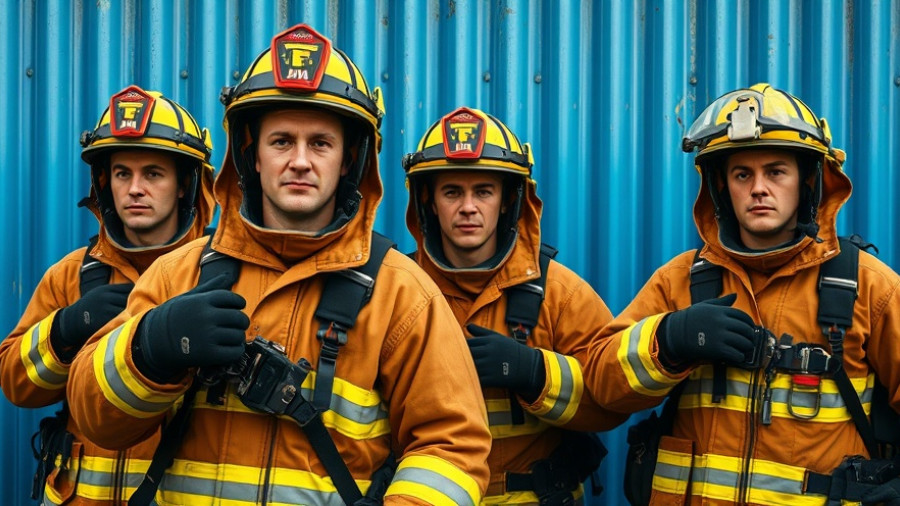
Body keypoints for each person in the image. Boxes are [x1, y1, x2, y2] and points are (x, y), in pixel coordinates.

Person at [67, 24, 492, 506]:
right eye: (282, 141)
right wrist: (149, 348)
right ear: (251, 155)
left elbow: (451, 449)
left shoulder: (403, 293)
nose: (300, 161)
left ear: (350, 159)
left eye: (321, 144)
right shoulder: (176, 273)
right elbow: (92, 417)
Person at [584, 83, 900, 504]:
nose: (758, 188)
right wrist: (669, 340)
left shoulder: (869, 287)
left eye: (776, 171)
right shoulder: (679, 280)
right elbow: (601, 388)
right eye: (741, 174)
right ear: (721, 187)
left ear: (809, 181)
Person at [0, 85, 216, 504]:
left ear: (185, 185)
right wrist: (64, 330)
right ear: (105, 182)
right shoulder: (72, 274)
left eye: (153, 173)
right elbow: (14, 383)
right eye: (122, 174)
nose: (135, 188)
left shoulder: (218, 272)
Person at [402, 107, 627, 505]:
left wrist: (533, 372)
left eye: (483, 191)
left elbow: (612, 403)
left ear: (508, 200)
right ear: (429, 201)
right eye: (452, 191)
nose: (468, 207)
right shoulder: (399, 289)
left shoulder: (560, 292)